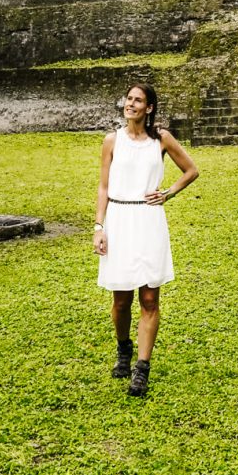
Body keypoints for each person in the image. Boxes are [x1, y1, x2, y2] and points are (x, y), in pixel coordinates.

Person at [93, 83, 199, 397]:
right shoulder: (112, 140)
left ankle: (142, 368)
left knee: (150, 299)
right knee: (121, 300)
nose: (131, 104)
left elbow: (191, 170)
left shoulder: (161, 139)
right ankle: (124, 348)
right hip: (120, 220)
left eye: (138, 100)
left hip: (149, 220)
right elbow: (103, 187)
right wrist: (99, 227)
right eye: (129, 99)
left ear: (149, 108)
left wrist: (167, 192)